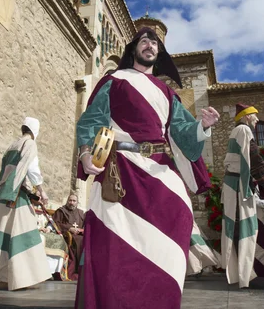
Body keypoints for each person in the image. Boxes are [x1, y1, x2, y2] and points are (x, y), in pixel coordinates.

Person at [74, 27, 219, 309]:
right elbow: (92, 120)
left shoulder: (166, 92)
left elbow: (182, 131)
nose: (150, 45)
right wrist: (85, 152)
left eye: (154, 42)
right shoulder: (115, 80)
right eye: (144, 41)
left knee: (178, 219)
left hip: (160, 171)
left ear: (159, 53)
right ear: (134, 49)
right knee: (114, 245)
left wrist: (202, 126)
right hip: (120, 169)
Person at [0, 117, 51, 291]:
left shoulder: (13, 145)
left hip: (4, 194)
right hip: (16, 196)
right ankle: (22, 278)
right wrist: (41, 190)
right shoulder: (29, 144)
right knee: (26, 234)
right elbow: (31, 168)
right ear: (35, 130)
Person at [221, 103, 264, 289]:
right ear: (246, 117)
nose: (257, 119)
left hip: (233, 184)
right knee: (245, 228)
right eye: (254, 115)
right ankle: (247, 276)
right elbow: (251, 156)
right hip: (238, 185)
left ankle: (241, 273)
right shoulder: (244, 130)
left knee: (237, 228)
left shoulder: (237, 131)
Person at [53, 194, 85, 280]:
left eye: (74, 201)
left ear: (77, 202)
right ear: (67, 201)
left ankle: (84, 270)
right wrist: (69, 228)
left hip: (79, 235)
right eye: (70, 200)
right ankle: (75, 271)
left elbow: (86, 225)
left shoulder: (81, 213)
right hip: (67, 236)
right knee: (78, 240)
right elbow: (56, 223)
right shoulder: (61, 211)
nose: (72, 203)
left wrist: (81, 230)